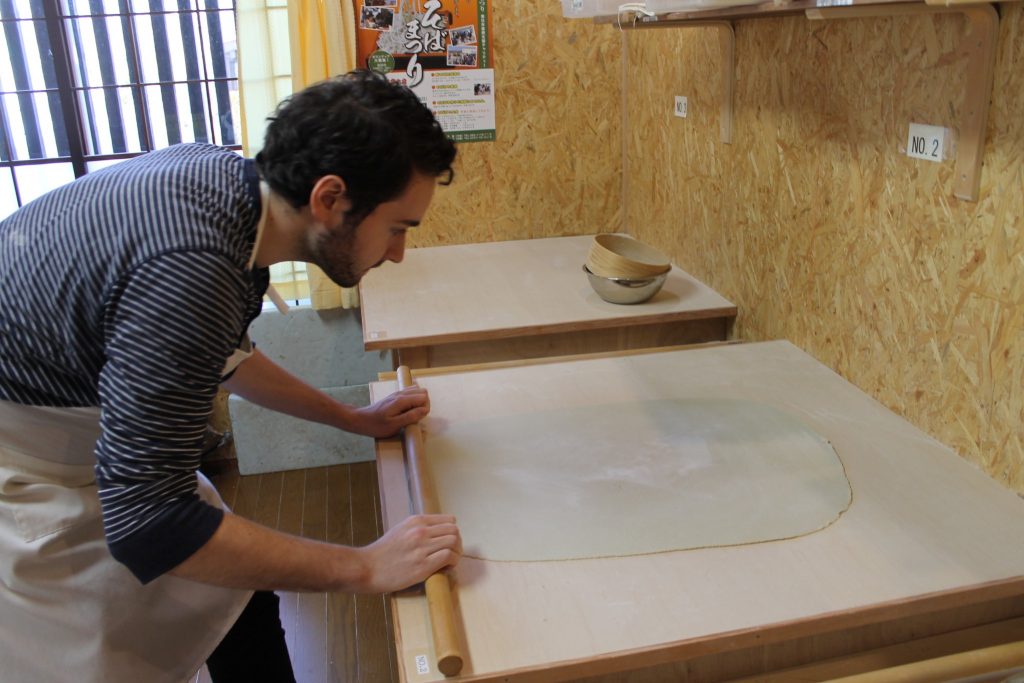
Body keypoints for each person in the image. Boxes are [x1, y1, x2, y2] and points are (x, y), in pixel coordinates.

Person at [0, 70, 462, 682]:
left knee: (240, 602)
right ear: (329, 199)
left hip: (89, 448)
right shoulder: (191, 269)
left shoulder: (226, 184)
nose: (398, 252)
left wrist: (354, 419)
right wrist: (366, 566)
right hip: (27, 474)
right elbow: (149, 524)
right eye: (398, 227)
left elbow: (220, 356)